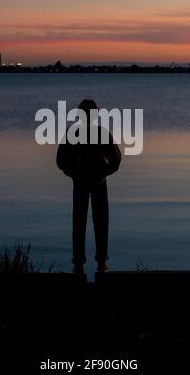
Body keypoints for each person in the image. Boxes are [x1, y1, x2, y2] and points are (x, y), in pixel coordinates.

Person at [56, 99, 121, 274]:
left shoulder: (87, 133)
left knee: (85, 223)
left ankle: (85, 263)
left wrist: (79, 172)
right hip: (88, 182)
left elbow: (115, 160)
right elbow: (61, 161)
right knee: (92, 222)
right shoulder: (98, 133)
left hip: (92, 182)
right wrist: (79, 172)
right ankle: (94, 263)